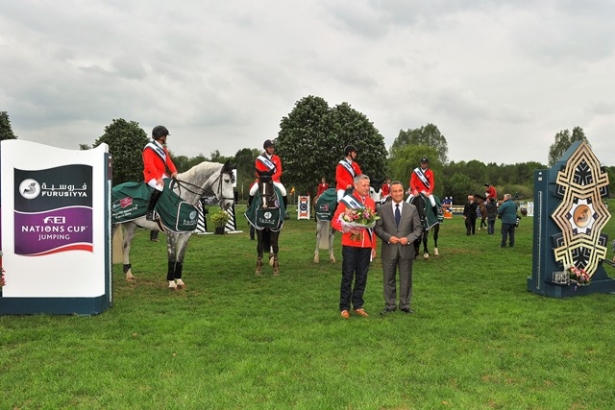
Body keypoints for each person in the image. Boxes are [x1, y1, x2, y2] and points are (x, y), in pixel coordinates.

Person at [331, 174, 377, 319]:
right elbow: (335, 221)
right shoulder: (347, 201)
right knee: (348, 276)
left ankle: (358, 305)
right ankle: (344, 307)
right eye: (364, 185)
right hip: (350, 244)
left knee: (362, 276)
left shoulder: (371, 202)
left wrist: (373, 246)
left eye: (368, 185)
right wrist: (348, 228)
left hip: (366, 245)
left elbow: (372, 227)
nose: (367, 188)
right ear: (355, 186)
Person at [374, 181, 423, 315]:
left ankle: (405, 305)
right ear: (390, 193)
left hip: (406, 249)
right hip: (389, 249)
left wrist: (409, 238)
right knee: (388, 278)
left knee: (406, 279)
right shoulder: (382, 209)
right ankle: (390, 305)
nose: (398, 193)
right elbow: (377, 228)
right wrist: (388, 237)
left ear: (403, 191)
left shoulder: (411, 208)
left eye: (400, 190)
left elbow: (418, 228)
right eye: (394, 191)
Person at [143, 125, 178, 221]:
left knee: (172, 186)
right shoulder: (149, 149)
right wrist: (158, 178)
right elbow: (150, 165)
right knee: (160, 187)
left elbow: (169, 162)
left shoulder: (163, 149)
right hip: (151, 175)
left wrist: (174, 171)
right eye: (165, 136)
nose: (166, 138)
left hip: (162, 174)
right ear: (161, 137)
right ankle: (150, 212)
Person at [250, 139, 288, 209]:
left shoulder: (277, 158)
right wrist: (263, 179)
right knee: (252, 191)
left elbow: (279, 171)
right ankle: (250, 209)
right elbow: (257, 172)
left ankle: (284, 210)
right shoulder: (259, 159)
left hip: (274, 180)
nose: (272, 149)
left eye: (273, 147)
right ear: (266, 148)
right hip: (261, 180)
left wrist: (272, 178)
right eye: (270, 147)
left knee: (284, 192)